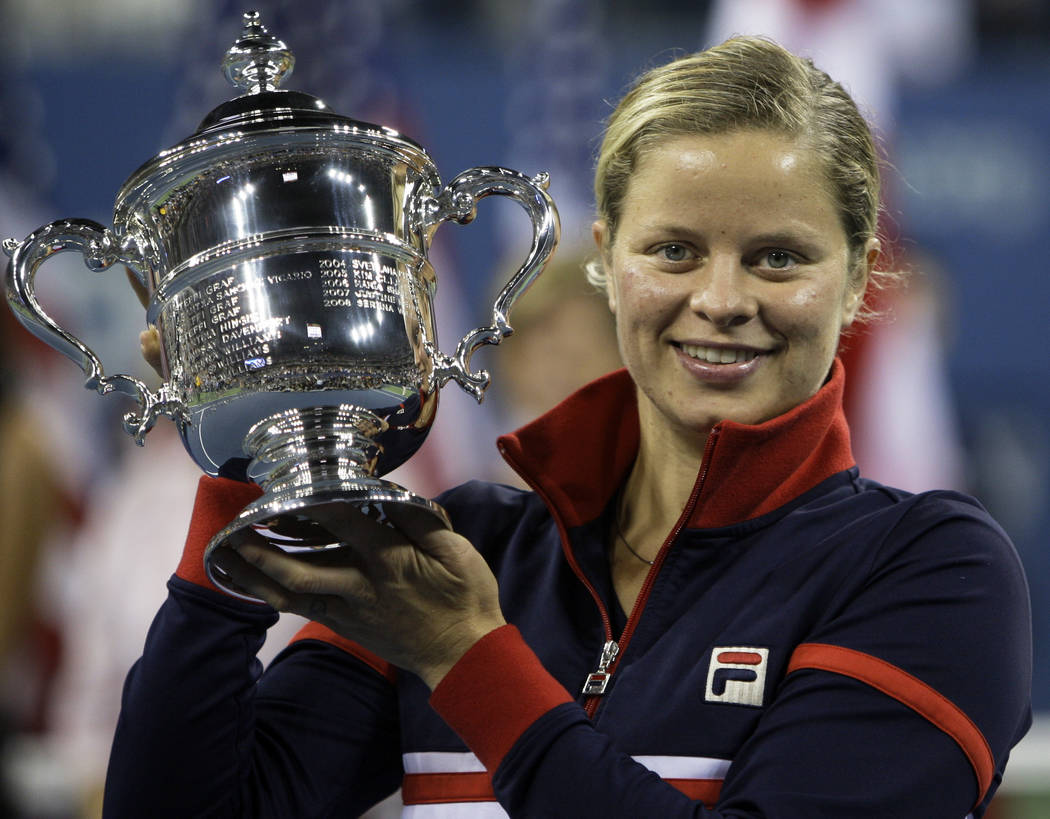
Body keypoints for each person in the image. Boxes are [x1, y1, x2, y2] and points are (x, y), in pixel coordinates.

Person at [103, 36, 1031, 818]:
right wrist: (247, 440)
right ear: (607, 261)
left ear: (860, 275)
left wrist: (465, 660)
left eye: (777, 258)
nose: (720, 299)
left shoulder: (931, 571)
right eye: (673, 250)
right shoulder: (465, 553)